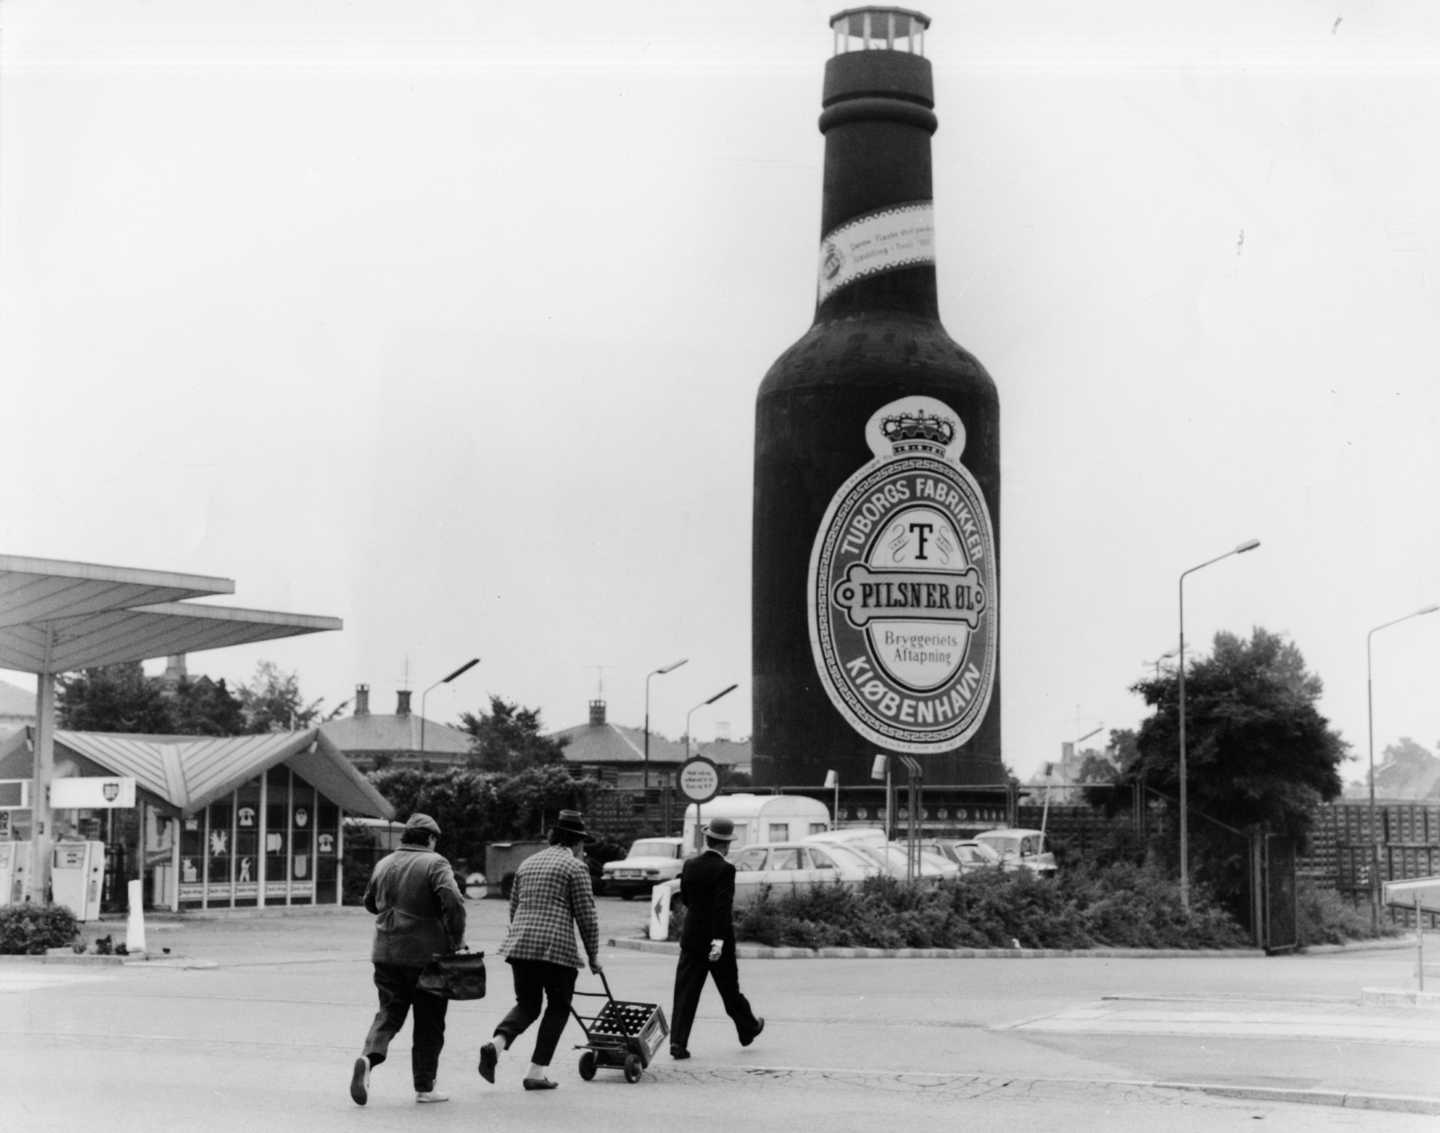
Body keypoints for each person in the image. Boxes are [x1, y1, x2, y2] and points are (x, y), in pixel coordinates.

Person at [477, 809, 602, 1091]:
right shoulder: (575, 867)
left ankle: (496, 1045)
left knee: (527, 1005)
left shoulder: (528, 863)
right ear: (577, 842)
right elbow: (586, 915)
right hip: (556, 949)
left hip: (520, 945)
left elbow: (514, 907)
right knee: (558, 1007)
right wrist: (593, 956)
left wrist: (524, 936)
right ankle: (536, 1071)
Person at [349, 812, 466, 1107]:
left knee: (389, 1012)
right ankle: (425, 1087)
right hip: (427, 955)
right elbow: (453, 901)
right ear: (430, 838)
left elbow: (369, 903)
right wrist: (457, 940)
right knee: (430, 1021)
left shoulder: (384, 863)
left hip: (385, 952)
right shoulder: (435, 863)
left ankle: (368, 1058)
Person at [668, 816, 764, 1058]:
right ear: (726, 845)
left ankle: (678, 1043)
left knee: (685, 992)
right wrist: (718, 941)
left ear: (708, 839)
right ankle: (748, 1028)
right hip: (716, 941)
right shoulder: (726, 869)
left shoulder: (690, 865)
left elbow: (687, 900)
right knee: (730, 990)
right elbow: (722, 908)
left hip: (691, 939)